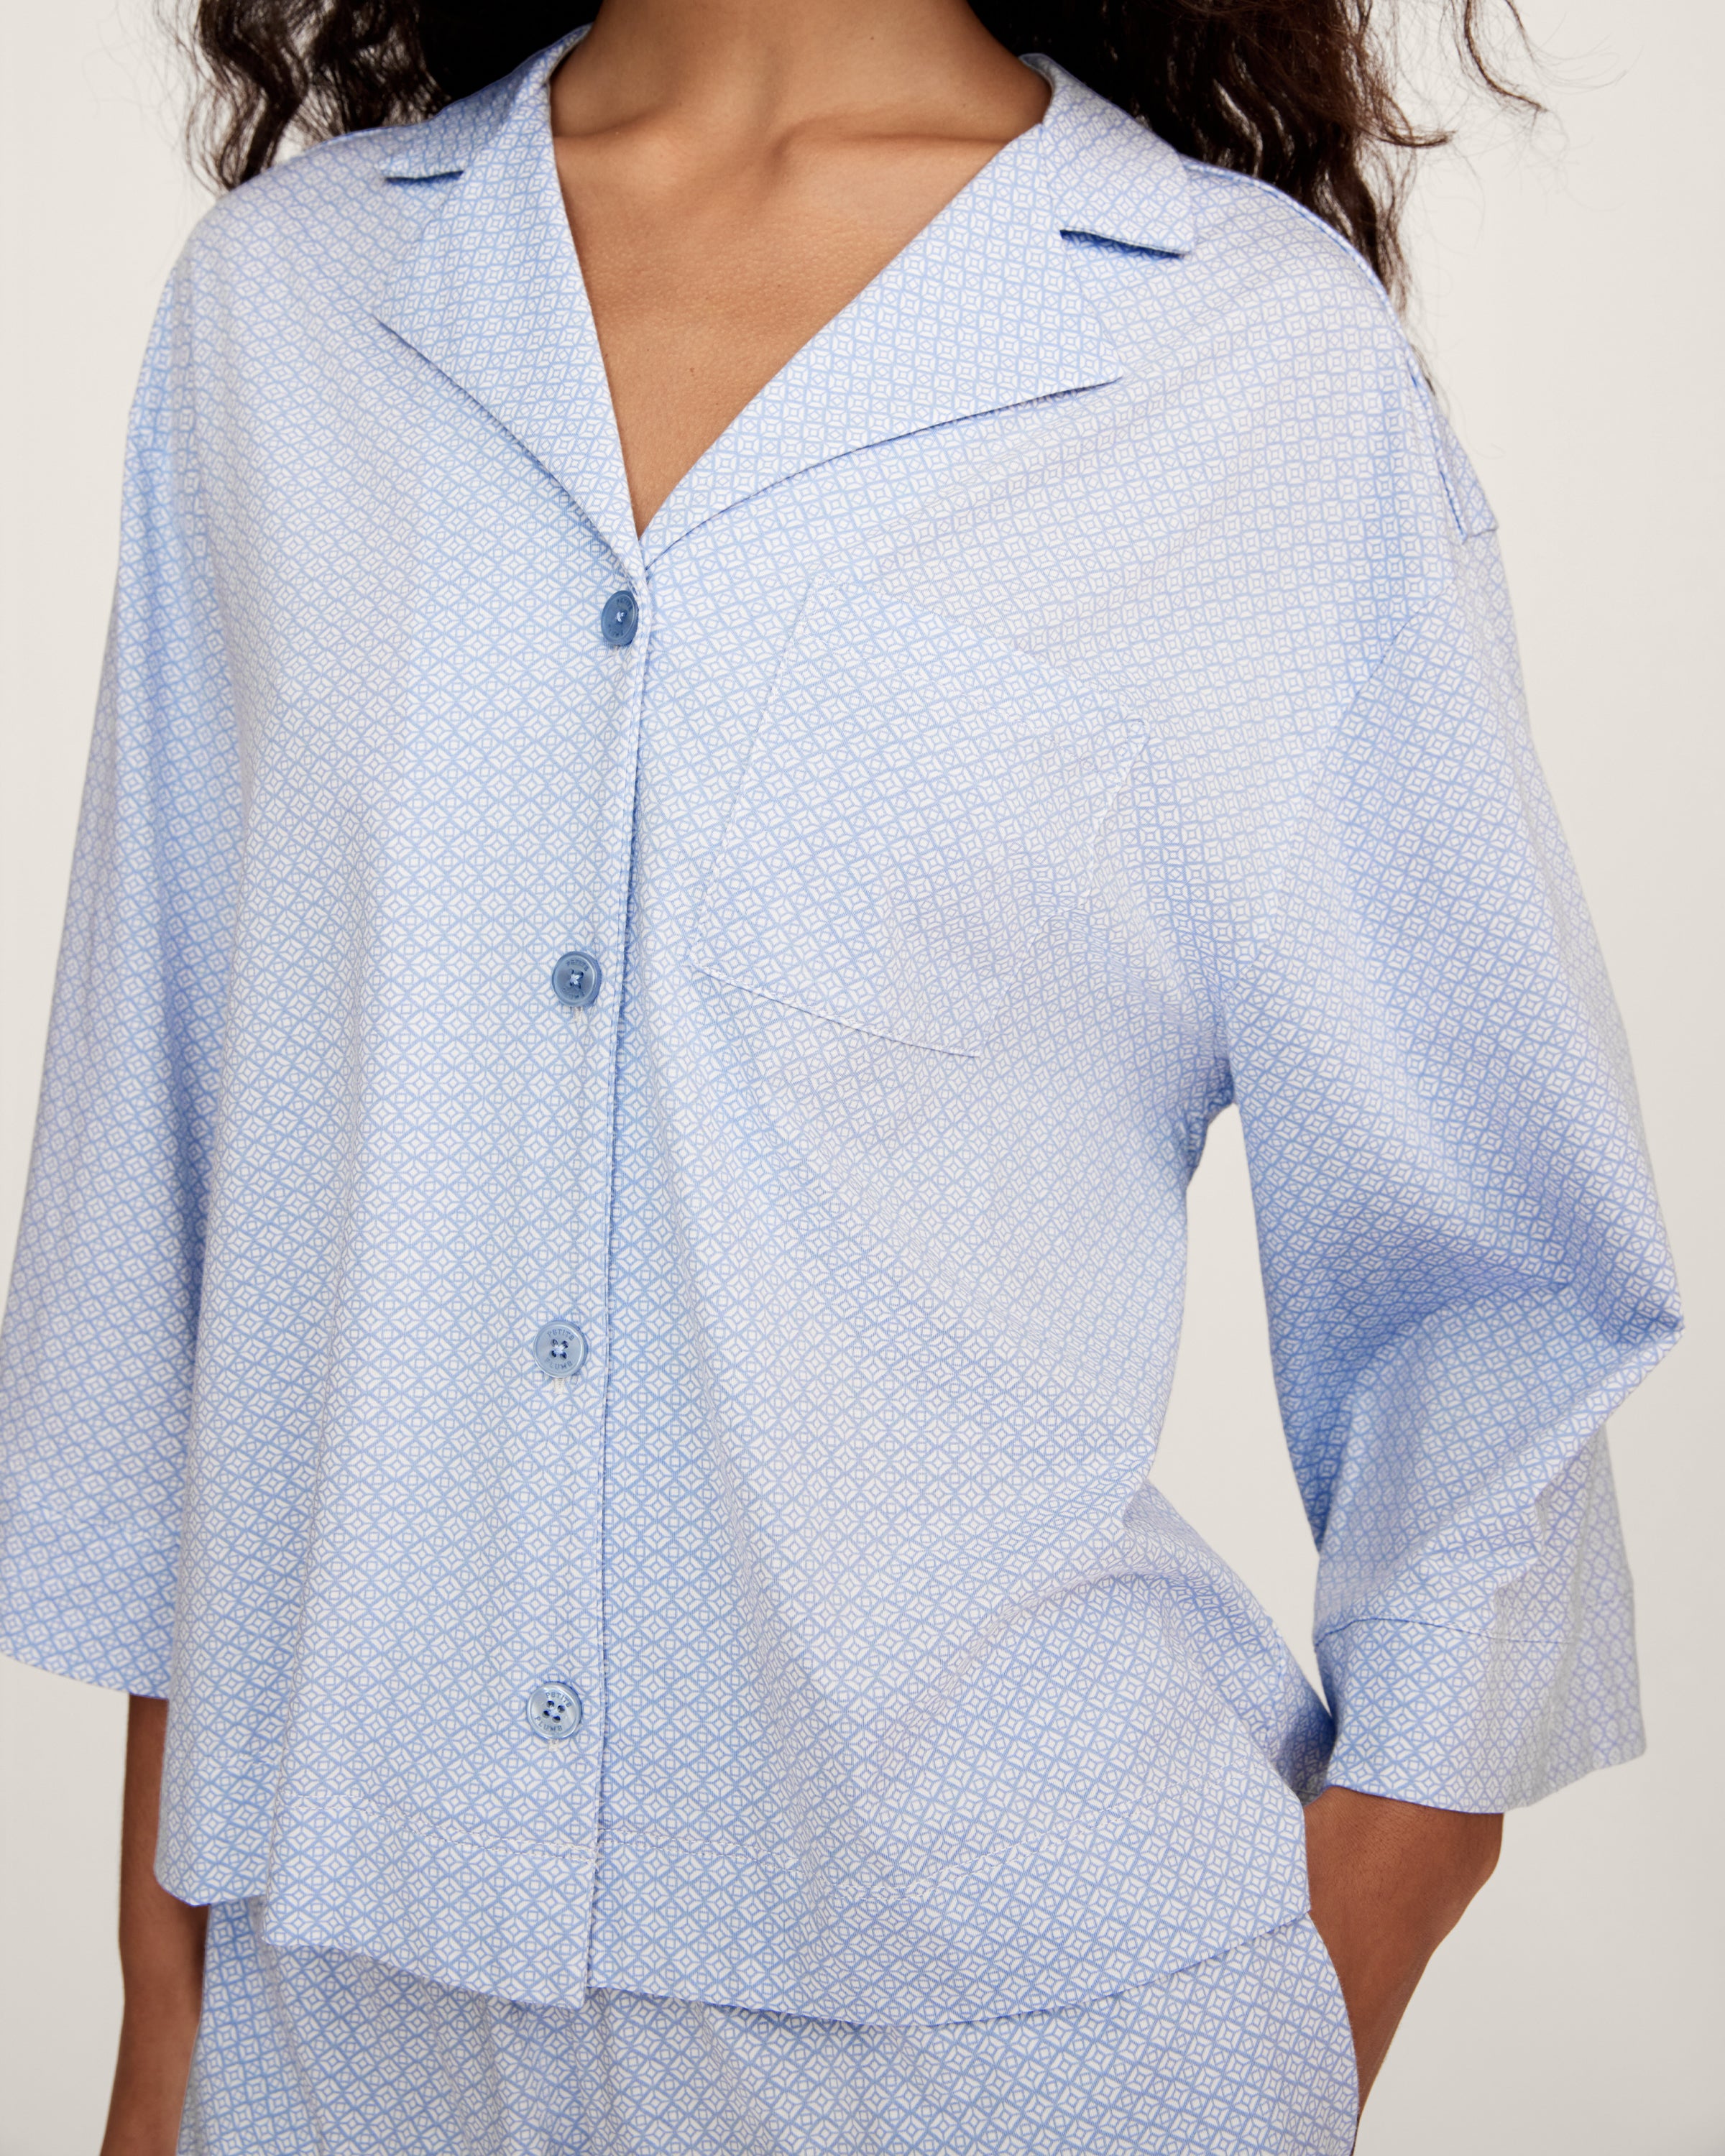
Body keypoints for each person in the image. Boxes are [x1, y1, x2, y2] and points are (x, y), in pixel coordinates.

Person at [0, 0, 1681, 2148]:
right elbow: (177, 1217)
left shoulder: (1243, 361)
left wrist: (1287, 2022)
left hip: (1013, 2033)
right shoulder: (294, 316)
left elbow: (1496, 1295)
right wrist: (165, 2020)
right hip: (340, 2042)